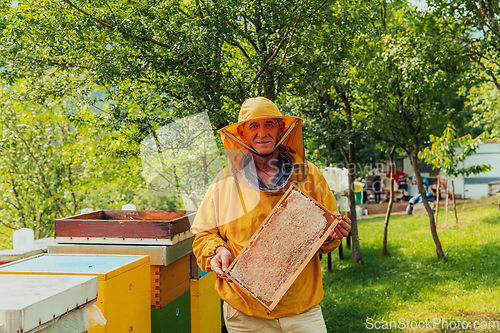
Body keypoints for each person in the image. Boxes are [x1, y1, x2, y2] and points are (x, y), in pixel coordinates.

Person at [191, 97, 352, 333]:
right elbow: (203, 235)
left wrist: (334, 234)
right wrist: (218, 250)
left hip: (301, 310)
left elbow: (326, 239)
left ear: (281, 130)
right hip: (245, 313)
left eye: (269, 124)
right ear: (242, 134)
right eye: (253, 126)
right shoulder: (225, 182)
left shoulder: (309, 176)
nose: (262, 133)